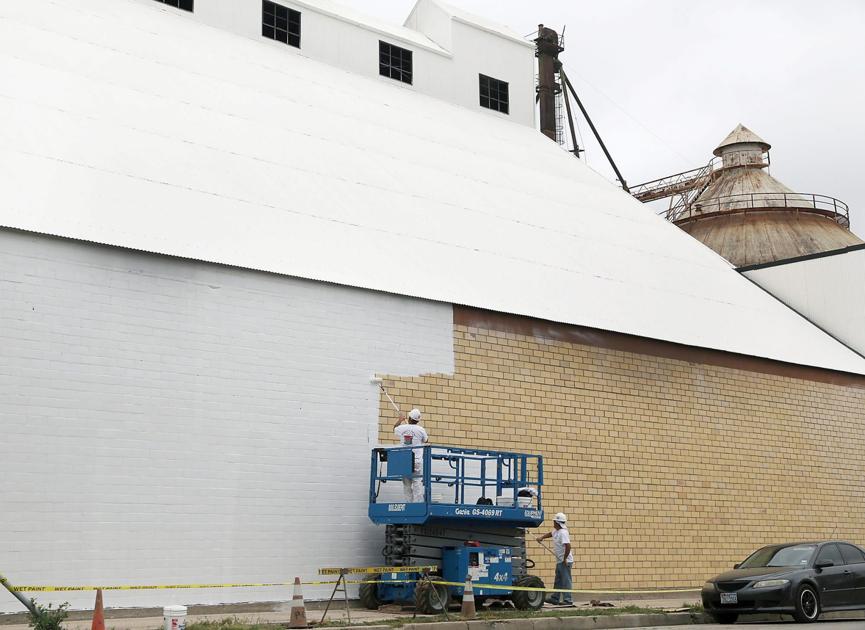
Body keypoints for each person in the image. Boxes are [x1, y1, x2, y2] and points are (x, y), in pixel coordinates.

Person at [536, 512, 573, 605]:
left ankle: (568, 600)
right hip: (560, 560)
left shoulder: (563, 533)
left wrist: (564, 558)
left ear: (557, 522)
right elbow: (550, 533)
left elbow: (568, 546)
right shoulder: (556, 531)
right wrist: (542, 537)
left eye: (554, 521)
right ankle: (555, 598)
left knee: (566, 580)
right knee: (558, 580)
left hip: (565, 560)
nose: (553, 523)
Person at [393, 408, 428, 502]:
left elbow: (394, 429)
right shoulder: (421, 430)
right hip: (417, 460)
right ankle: (418, 504)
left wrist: (400, 420)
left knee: (406, 484)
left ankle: (408, 504)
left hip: (405, 459)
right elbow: (426, 440)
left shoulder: (402, 428)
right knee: (417, 482)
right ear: (417, 420)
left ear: (409, 418)